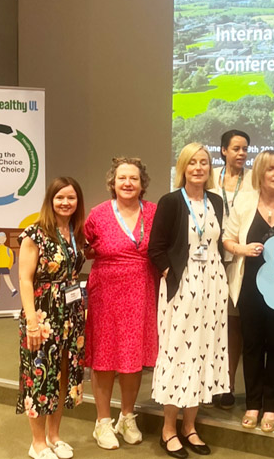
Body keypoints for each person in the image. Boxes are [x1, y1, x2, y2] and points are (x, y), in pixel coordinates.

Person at [148, 143, 229, 458]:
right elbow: (156, 248)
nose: (198, 167)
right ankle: (169, 429)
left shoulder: (216, 201)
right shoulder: (170, 202)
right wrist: (172, 273)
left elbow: (218, 242)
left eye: (204, 162)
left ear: (210, 167)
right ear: (183, 167)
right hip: (182, 287)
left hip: (212, 287)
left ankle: (190, 427)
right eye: (192, 162)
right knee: (178, 352)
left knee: (203, 352)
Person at [84, 157, 159, 449]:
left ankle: (127, 416)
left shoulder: (154, 212)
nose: (128, 183)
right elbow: (83, 247)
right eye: (122, 178)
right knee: (104, 357)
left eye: (134, 179)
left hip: (142, 291)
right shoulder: (98, 214)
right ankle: (102, 421)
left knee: (132, 358)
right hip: (106, 293)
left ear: (142, 184)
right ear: (112, 183)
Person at [223, 149, 274, 433]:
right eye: (270, 169)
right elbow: (227, 239)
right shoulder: (244, 202)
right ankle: (253, 404)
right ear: (259, 173)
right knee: (252, 346)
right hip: (250, 286)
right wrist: (242, 249)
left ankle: (272, 407)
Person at [16, 177, 86, 459]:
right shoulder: (35, 233)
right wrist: (32, 323)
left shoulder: (76, 232)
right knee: (40, 376)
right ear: (50, 200)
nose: (65, 202)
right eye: (60, 197)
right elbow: (25, 279)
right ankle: (37, 443)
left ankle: (54, 436)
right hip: (43, 313)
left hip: (71, 313)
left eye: (71, 198)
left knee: (63, 375)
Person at [210, 129, 253, 410]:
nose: (241, 153)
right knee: (208, 322)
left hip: (238, 259)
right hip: (208, 257)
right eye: (236, 148)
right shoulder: (209, 176)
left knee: (233, 323)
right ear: (223, 150)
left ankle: (228, 384)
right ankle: (206, 383)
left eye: (245, 149)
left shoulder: (253, 180)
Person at [0, 231, 18, 298]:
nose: (0, 239)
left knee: (7, 279)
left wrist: (9, 267)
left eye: (2, 238)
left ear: (5, 239)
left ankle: (14, 290)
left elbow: (11, 259)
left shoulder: (8, 249)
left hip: (5, 267)